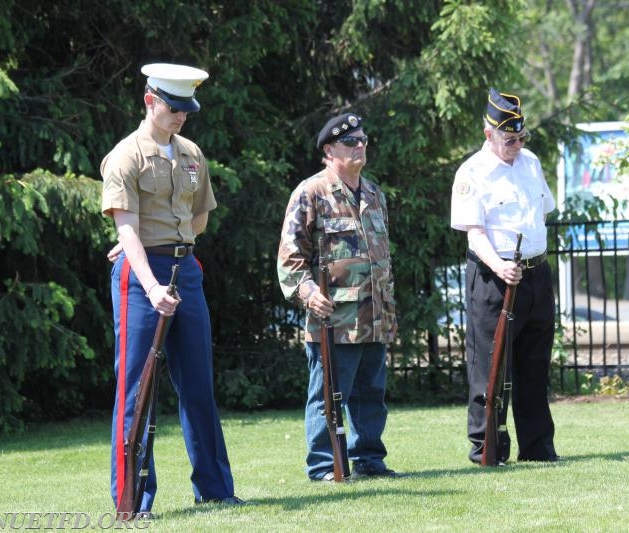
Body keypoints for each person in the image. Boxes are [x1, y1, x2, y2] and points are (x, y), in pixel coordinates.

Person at [100, 63, 244, 513]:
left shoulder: (192, 154)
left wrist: (179, 249)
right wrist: (150, 282)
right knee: (137, 389)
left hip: (186, 270)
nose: (181, 116)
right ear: (149, 101)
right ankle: (132, 500)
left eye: (186, 109)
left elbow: (200, 214)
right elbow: (126, 230)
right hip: (142, 273)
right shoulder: (125, 156)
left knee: (199, 385)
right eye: (172, 107)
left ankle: (216, 491)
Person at [277, 112, 402, 482]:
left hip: (375, 315)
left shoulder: (374, 194)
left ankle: (368, 460)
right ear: (329, 150)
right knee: (327, 395)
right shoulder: (310, 193)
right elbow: (290, 256)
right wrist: (307, 292)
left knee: (371, 395)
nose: (360, 146)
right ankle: (323, 466)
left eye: (363, 140)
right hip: (335, 317)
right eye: (351, 142)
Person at [450, 88, 559, 465]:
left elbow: (541, 212)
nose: (517, 144)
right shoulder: (472, 172)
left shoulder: (530, 162)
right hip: (494, 278)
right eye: (509, 139)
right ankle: (487, 448)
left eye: (521, 137)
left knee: (534, 364)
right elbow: (473, 232)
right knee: (490, 367)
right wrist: (500, 265)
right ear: (489, 134)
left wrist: (531, 260)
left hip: (535, 275)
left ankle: (538, 448)